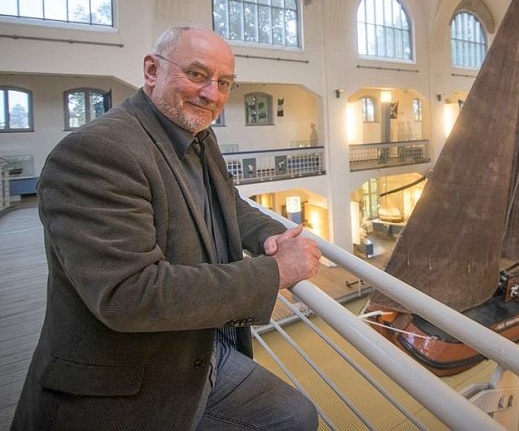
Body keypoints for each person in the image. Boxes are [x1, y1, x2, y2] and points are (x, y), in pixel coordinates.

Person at [12, 26, 321, 430]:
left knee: (294, 415)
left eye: (224, 82)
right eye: (196, 75)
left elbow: (227, 203)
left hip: (197, 346)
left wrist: (270, 235)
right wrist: (277, 271)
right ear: (152, 70)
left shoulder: (197, 136)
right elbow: (129, 293)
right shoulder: (97, 152)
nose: (212, 94)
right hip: (125, 378)